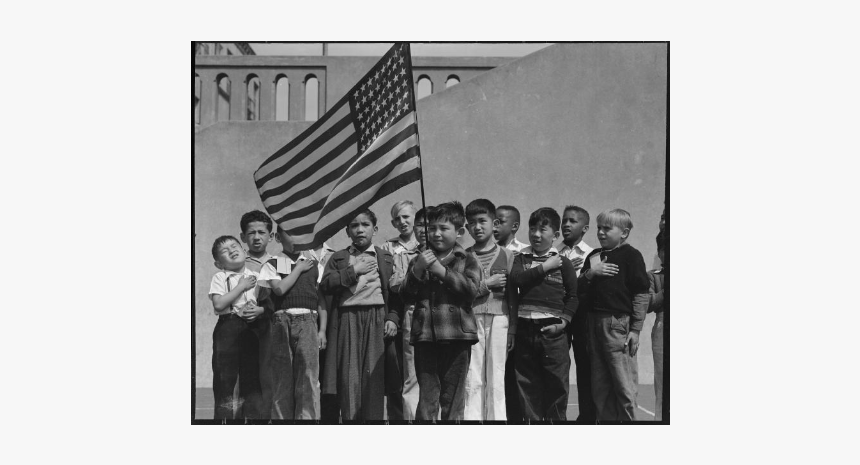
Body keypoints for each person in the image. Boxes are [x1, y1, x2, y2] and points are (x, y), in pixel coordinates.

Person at [401, 201, 481, 421]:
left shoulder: (468, 259)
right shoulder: (419, 259)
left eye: (444, 228)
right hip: (425, 337)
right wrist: (417, 270)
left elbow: (471, 291)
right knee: (427, 397)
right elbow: (406, 296)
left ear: (459, 231)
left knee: (453, 398)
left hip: (457, 337)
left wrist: (440, 271)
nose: (436, 234)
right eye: (432, 228)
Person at [319, 210, 395, 421]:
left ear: (375, 229)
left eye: (365, 225)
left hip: (377, 317)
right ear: (347, 231)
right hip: (347, 318)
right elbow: (325, 285)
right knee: (349, 378)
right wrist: (353, 270)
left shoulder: (385, 257)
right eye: (354, 225)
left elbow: (395, 293)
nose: (360, 229)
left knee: (374, 378)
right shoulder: (339, 257)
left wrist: (392, 318)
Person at [577, 209, 650, 422]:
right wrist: (592, 273)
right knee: (600, 388)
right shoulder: (593, 257)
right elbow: (578, 288)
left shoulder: (631, 255)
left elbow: (641, 294)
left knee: (623, 384)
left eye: (607, 228)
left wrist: (635, 330)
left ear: (624, 233)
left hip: (617, 325)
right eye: (599, 227)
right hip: (593, 325)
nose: (600, 232)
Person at [510, 207, 578, 421]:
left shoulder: (563, 262)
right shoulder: (521, 258)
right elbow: (517, 280)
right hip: (524, 328)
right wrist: (545, 267)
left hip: (553, 331)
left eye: (542, 229)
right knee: (527, 383)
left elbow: (573, 296)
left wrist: (563, 323)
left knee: (556, 383)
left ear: (555, 235)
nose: (536, 234)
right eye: (532, 229)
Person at [259, 226, 327, 420]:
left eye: (301, 234)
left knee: (308, 377)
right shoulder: (272, 263)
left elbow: (321, 300)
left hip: (308, 322)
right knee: (283, 378)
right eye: (291, 234)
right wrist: (297, 268)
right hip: (282, 322)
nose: (297, 239)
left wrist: (322, 330)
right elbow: (279, 290)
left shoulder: (314, 265)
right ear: (279, 238)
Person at [208, 235, 276, 420]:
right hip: (227, 329)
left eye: (234, 246)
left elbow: (269, 306)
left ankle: (251, 421)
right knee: (225, 379)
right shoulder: (220, 277)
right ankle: (223, 421)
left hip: (252, 330)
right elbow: (219, 305)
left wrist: (259, 310)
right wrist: (241, 286)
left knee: (252, 380)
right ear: (218, 263)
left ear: (244, 251)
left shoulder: (257, 277)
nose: (231, 250)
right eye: (224, 250)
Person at [463, 199, 514, 421]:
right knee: (472, 376)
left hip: (500, 318)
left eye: (482, 221)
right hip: (470, 319)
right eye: (472, 223)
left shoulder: (508, 255)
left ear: (494, 224)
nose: (477, 227)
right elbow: (460, 292)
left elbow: (514, 296)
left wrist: (513, 329)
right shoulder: (462, 257)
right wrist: (486, 284)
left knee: (496, 375)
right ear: (466, 228)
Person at [380, 200, 421, 420]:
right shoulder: (388, 247)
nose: (402, 222)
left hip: (425, 310)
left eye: (406, 216)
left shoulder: (426, 244)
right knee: (401, 372)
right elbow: (389, 284)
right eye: (397, 218)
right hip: (400, 311)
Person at [557, 205, 596, 423]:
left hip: (582, 317)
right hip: (558, 314)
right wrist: (567, 270)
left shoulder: (592, 254)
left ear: (585, 227)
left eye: (572, 221)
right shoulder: (553, 251)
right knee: (559, 367)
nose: (566, 225)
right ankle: (557, 418)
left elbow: (591, 288)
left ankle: (587, 419)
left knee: (585, 367)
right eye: (564, 220)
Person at [237, 210, 276, 418]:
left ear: (270, 236)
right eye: (251, 233)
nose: (257, 237)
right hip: (243, 327)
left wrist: (263, 309)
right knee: (246, 377)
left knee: (268, 375)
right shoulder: (237, 263)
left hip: (270, 327)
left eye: (262, 232)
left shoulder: (279, 263)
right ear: (243, 237)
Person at [494, 205, 526, 420]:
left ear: (514, 226)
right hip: (496, 317)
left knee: (516, 376)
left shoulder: (526, 251)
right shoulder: (487, 250)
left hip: (519, 320)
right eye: (493, 221)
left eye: (500, 222)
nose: (495, 226)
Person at [647, 232, 665, 421]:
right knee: (662, 380)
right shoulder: (653, 277)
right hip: (662, 327)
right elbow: (649, 303)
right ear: (660, 253)